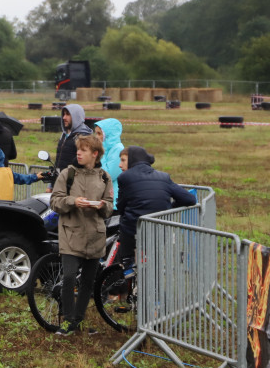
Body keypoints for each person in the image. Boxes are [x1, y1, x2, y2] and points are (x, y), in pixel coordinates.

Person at [50, 133, 113, 336]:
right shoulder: (67, 175)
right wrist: (72, 201)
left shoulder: (104, 177)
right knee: (69, 277)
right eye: (78, 149)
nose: (78, 153)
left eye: (83, 150)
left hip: (95, 236)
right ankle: (68, 320)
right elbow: (55, 201)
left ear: (95, 154)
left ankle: (79, 320)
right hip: (71, 234)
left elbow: (110, 206)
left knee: (87, 281)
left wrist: (103, 206)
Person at [115, 145, 196, 262]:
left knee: (126, 257)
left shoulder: (125, 177)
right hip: (158, 231)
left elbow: (121, 207)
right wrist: (169, 208)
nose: (119, 165)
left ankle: (127, 267)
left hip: (132, 231)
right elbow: (190, 199)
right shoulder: (164, 177)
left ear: (133, 160)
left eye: (123, 160)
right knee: (155, 263)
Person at [94, 118, 125, 207]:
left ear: (108, 135)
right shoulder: (107, 148)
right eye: (96, 133)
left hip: (113, 200)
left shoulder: (118, 149)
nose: (96, 137)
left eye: (99, 133)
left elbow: (108, 174)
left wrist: (100, 154)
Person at [54, 104, 91, 173]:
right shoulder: (64, 135)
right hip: (60, 179)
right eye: (63, 114)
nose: (64, 117)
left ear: (76, 117)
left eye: (68, 114)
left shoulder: (84, 137)